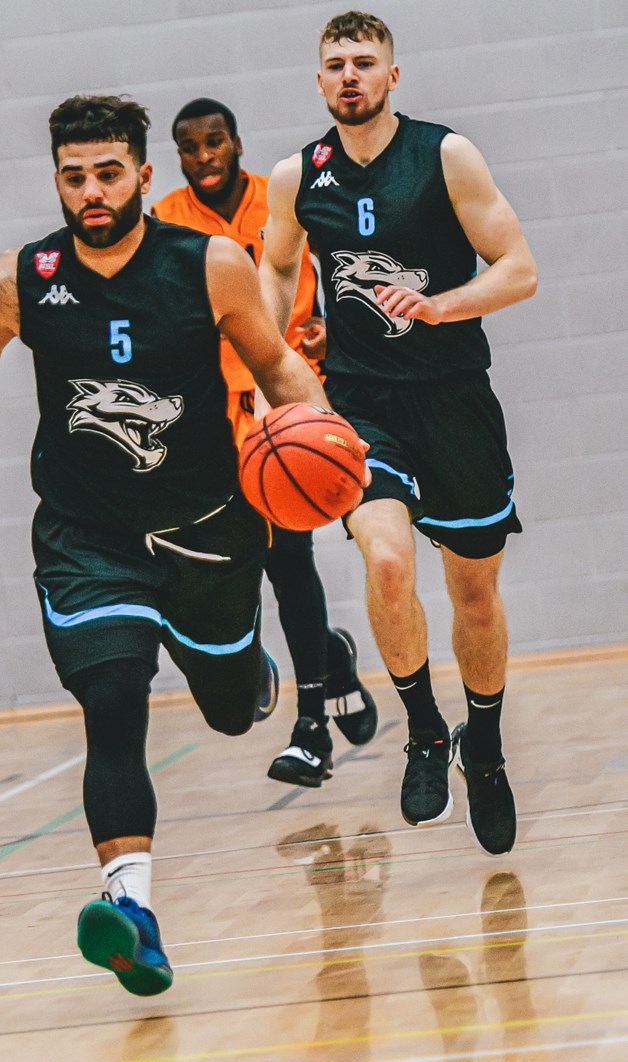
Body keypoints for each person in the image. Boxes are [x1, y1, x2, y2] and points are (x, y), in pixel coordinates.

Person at [0, 95, 346, 997]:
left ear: (144, 176)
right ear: (57, 182)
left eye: (108, 174)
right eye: (74, 177)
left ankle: (250, 672)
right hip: (87, 536)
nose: (91, 192)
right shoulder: (22, 278)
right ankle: (133, 912)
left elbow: (276, 365)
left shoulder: (209, 264)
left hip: (208, 529)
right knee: (111, 703)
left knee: (230, 711)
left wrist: (331, 441)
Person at [258, 12, 537, 855]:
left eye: (364, 61)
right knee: (385, 562)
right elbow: (276, 264)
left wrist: (441, 306)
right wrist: (271, 368)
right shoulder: (297, 176)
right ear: (318, 81)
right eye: (335, 64)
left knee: (474, 594)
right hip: (360, 404)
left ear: (392, 74)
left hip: (453, 399)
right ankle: (423, 730)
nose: (350, 75)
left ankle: (483, 746)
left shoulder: (446, 155)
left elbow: (519, 270)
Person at [153, 98, 378, 787]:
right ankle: (328, 659)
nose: (204, 156)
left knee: (289, 562)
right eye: (190, 147)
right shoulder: (163, 221)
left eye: (214, 141)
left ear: (236, 142)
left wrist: (334, 333)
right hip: (209, 423)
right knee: (233, 567)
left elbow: (333, 277)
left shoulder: (279, 204)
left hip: (285, 413)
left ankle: (311, 728)